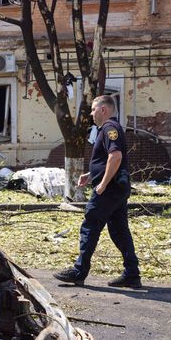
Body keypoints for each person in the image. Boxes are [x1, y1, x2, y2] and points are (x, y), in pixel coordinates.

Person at [54, 95, 141, 288]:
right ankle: (132, 274)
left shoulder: (110, 128)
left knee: (90, 225)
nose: (91, 114)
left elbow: (115, 157)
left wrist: (101, 184)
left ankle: (79, 271)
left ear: (103, 109)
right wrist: (91, 174)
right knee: (119, 231)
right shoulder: (109, 128)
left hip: (110, 189)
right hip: (117, 187)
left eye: (93, 110)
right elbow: (106, 161)